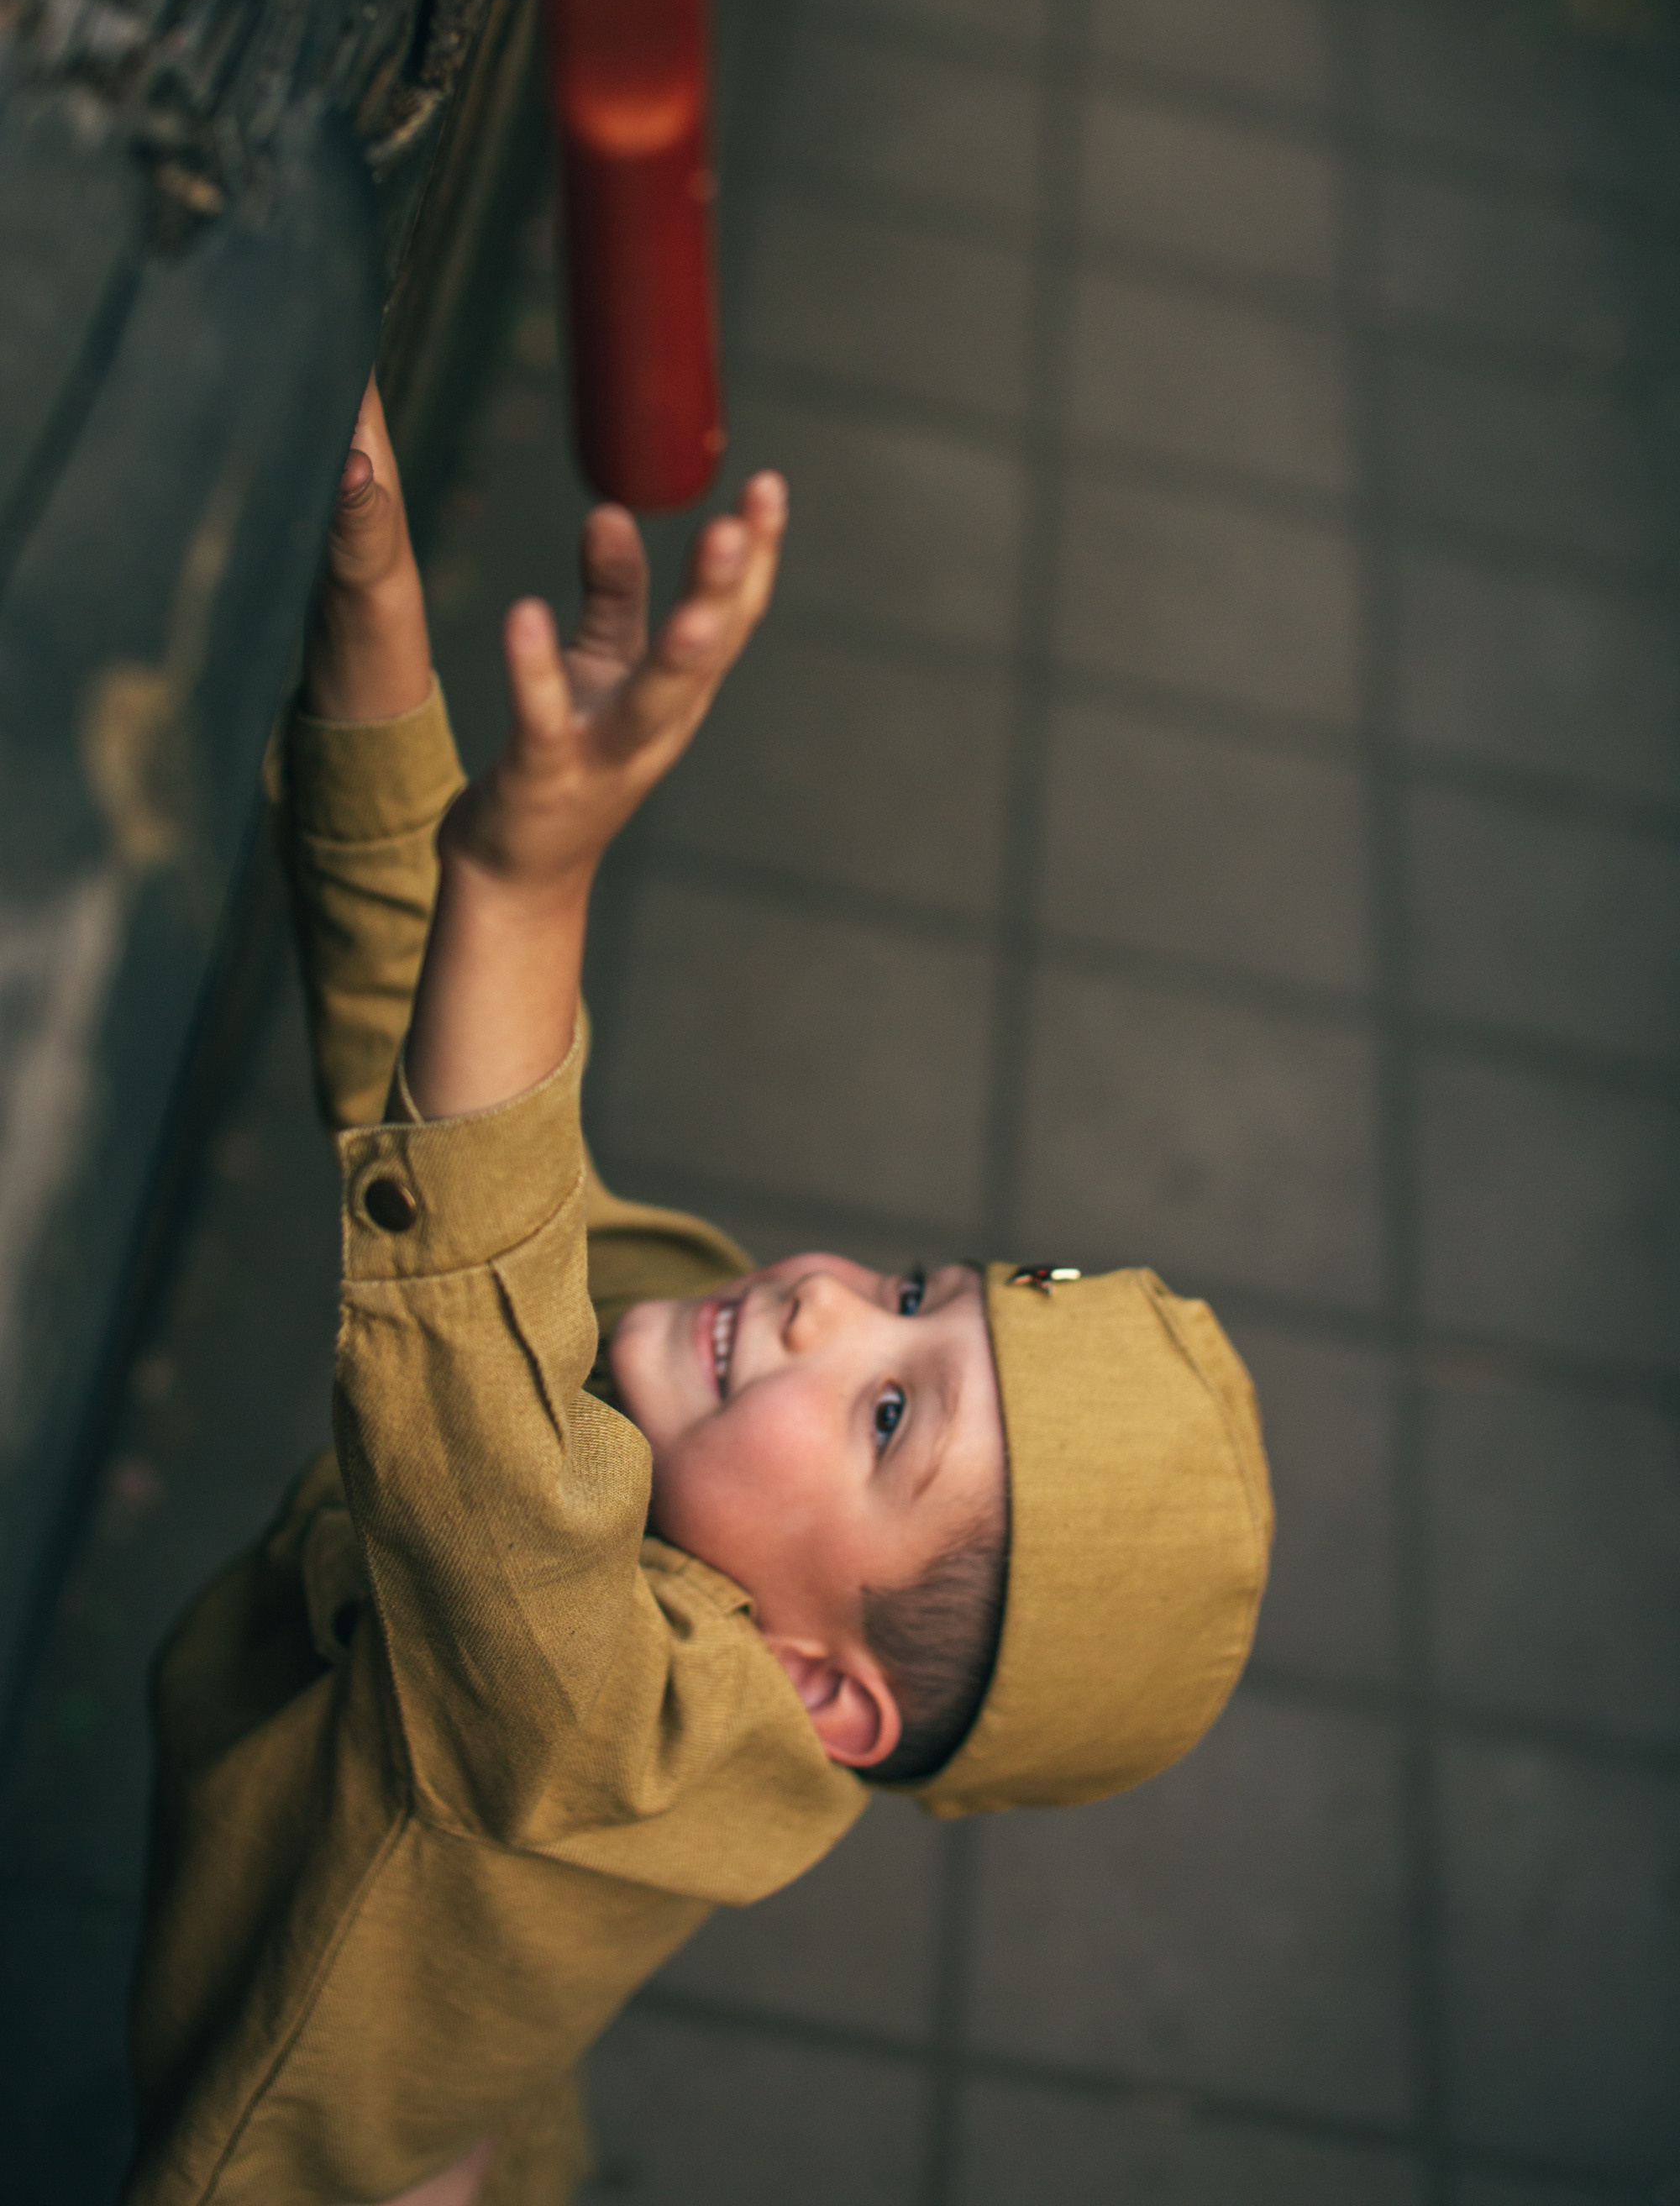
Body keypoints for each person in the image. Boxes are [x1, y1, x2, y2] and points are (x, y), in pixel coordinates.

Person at [122, 381, 1274, 2206]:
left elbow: (473, 1373)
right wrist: (376, 615)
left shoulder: (620, 1731)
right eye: (917, 1292)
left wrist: (527, 883)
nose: (829, 1304)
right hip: (452, 2077)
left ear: (814, 1691)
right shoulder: (672, 1384)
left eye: (894, 1411)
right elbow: (437, 1118)